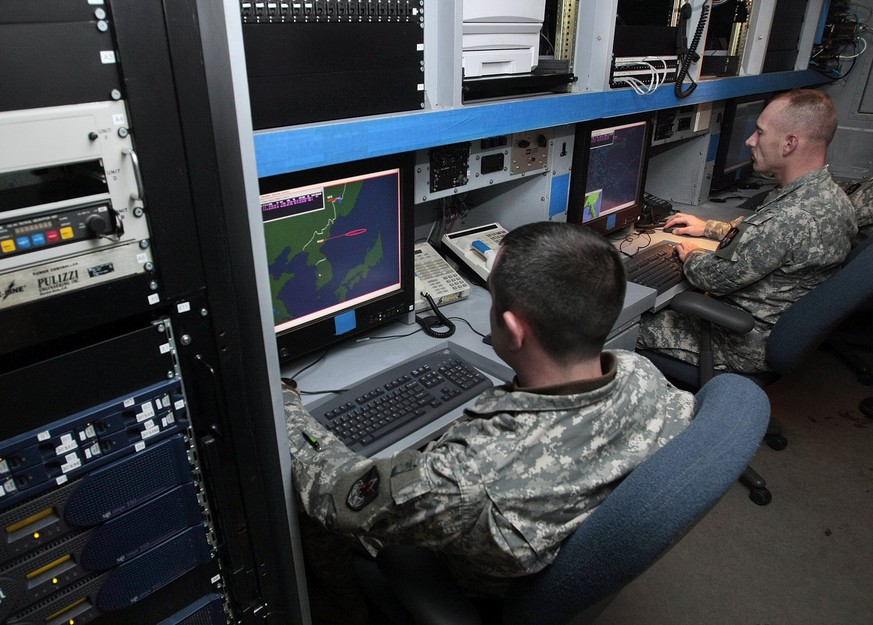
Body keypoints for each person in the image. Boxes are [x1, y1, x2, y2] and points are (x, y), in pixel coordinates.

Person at [284, 221, 695, 623]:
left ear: (513, 330)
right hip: (555, 550)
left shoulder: (463, 477)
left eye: (493, 299)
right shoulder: (641, 372)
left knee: (310, 506)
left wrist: (285, 406)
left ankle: (346, 608)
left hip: (473, 582)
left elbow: (336, 494)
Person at [637, 89, 858, 374]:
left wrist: (692, 256)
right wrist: (709, 227)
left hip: (740, 342)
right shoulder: (832, 197)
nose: (750, 140)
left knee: (618, 325)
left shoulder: (787, 219)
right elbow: (763, 239)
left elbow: (715, 277)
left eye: (760, 133)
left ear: (789, 143)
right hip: (775, 325)